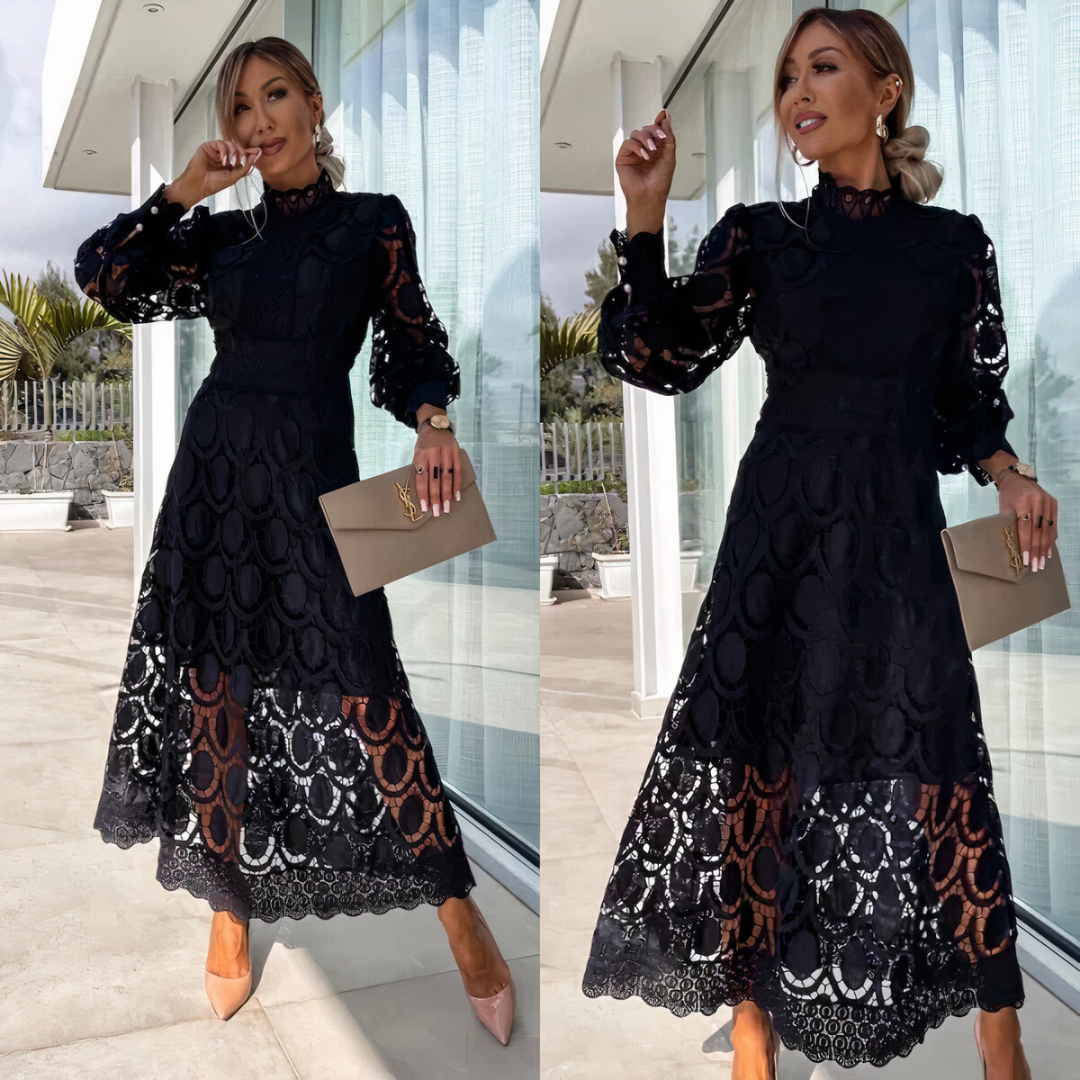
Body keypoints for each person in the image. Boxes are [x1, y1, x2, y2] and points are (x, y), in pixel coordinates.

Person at [580, 8, 1053, 1078]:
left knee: (938, 764)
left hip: (895, 539)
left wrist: (1010, 474)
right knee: (763, 766)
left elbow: (963, 402)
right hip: (778, 536)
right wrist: (644, 216)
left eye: (822, 68)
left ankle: (1000, 1027)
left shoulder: (951, 247)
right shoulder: (761, 236)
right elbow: (661, 355)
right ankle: (753, 1016)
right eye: (789, 74)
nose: (797, 91)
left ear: (885, 93)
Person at [74, 36, 515, 1044]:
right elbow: (105, 275)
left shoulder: (372, 224)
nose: (259, 119)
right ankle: (227, 904)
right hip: (216, 482)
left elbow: (411, 342)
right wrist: (184, 190)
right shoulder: (222, 239)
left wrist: (434, 422)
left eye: (275, 95)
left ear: (314, 105)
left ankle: (460, 912)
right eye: (241, 107)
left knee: (368, 691)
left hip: (314, 482)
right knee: (217, 692)